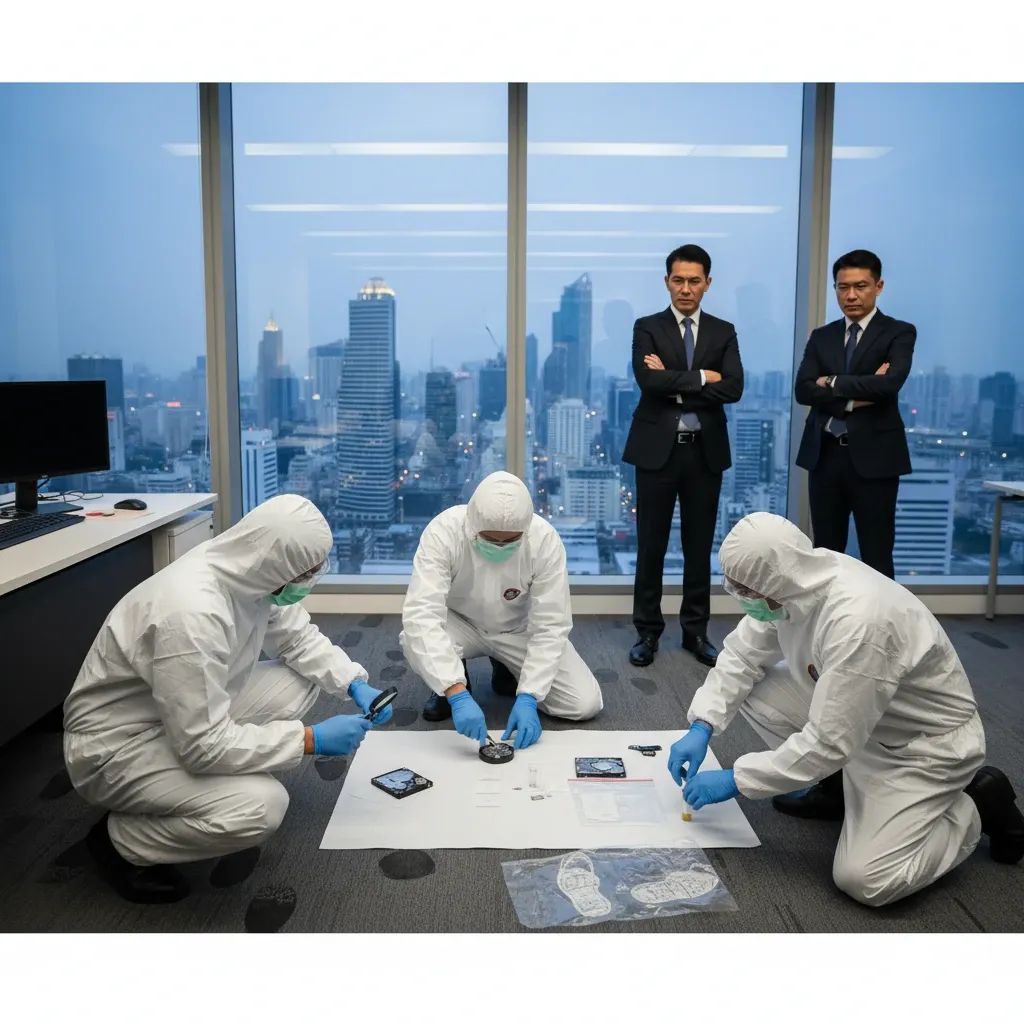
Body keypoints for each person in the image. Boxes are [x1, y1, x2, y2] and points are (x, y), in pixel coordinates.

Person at [667, 512, 1024, 908]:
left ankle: (973, 805)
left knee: (866, 880)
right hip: (863, 724)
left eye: (744, 589)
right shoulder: (794, 583)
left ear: (772, 583)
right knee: (753, 688)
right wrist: (701, 725)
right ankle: (837, 788)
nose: (740, 595)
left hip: (920, 749)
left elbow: (829, 742)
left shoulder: (859, 623)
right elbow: (741, 656)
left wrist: (738, 778)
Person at [63, 494, 393, 904]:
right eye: (306, 571)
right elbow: (202, 747)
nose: (312, 578)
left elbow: (295, 637)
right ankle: (121, 841)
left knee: (299, 681)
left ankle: (203, 786)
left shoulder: (248, 569)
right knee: (261, 808)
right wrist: (309, 740)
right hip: (115, 749)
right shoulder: (192, 614)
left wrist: (353, 682)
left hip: (171, 714)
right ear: (276, 564)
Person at [401, 471, 603, 748]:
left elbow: (551, 624)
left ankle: (505, 664)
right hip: (459, 623)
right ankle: (454, 682)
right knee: (412, 637)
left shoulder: (544, 540)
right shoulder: (443, 531)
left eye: (509, 541)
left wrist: (530, 696)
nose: (499, 547)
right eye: (490, 539)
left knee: (584, 703)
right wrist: (456, 694)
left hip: (517, 627)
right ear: (472, 526)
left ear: (526, 530)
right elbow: (421, 614)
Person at [623, 243, 743, 670]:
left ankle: (696, 633)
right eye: (678, 280)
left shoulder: (722, 331)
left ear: (708, 283)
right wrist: (702, 377)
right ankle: (647, 634)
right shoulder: (647, 327)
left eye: (694, 281)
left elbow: (734, 388)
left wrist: (673, 380)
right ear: (666, 282)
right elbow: (646, 381)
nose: (686, 288)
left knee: (698, 548)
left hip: (704, 454)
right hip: (656, 452)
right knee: (650, 547)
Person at [795, 248, 915, 580]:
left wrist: (830, 383)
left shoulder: (899, 332)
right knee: (825, 555)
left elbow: (889, 385)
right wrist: (855, 396)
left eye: (860, 286)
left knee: (877, 552)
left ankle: (879, 630)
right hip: (825, 455)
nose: (850, 295)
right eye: (842, 287)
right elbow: (804, 390)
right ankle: (826, 629)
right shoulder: (822, 337)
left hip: (875, 459)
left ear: (879, 286)